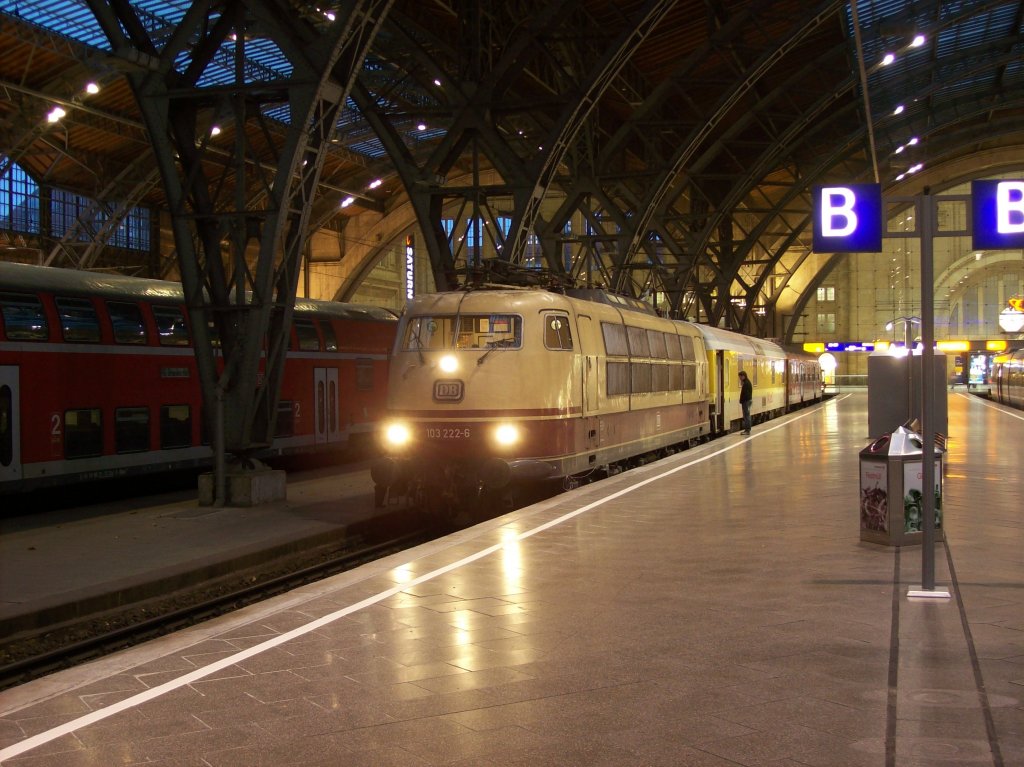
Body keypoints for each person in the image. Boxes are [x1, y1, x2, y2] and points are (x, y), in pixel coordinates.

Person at [738, 370, 752, 434]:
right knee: (747, 415)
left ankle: (747, 430)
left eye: (740, 377)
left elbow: (746, 394)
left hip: (746, 402)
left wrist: (742, 400)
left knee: (746, 415)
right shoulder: (747, 382)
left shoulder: (746, 383)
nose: (740, 378)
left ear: (743, 376)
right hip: (747, 401)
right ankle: (747, 429)